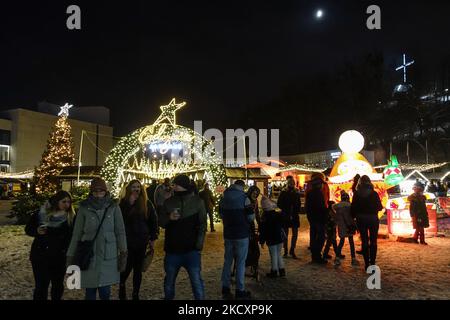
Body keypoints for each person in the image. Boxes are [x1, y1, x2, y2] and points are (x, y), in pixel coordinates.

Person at [67, 177, 128, 300]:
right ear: (91, 192)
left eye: (101, 191)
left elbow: (120, 231)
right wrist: (71, 256)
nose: (98, 194)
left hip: (108, 255)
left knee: (105, 291)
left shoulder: (113, 207)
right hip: (89, 254)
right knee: (90, 290)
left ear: (106, 191)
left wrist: (123, 252)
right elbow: (77, 234)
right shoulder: (84, 208)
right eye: (95, 191)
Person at [159, 174, 207, 300]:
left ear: (183, 186)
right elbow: (161, 222)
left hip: (191, 250)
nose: (173, 186)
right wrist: (169, 218)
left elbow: (202, 224)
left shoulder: (197, 202)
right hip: (172, 250)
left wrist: (199, 244)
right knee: (169, 283)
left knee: (196, 282)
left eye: (176, 184)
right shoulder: (169, 202)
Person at [25, 191, 75, 300]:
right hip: (40, 256)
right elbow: (28, 229)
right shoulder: (41, 213)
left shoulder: (71, 217)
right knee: (41, 286)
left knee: (57, 285)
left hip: (59, 257)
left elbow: (72, 237)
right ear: (56, 201)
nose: (67, 205)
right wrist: (36, 231)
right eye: (64, 201)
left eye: (69, 202)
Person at [119, 180, 158, 300]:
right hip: (127, 241)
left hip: (141, 241)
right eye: (133, 187)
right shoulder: (123, 203)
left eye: (138, 187)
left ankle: (136, 293)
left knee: (138, 270)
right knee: (126, 268)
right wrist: (129, 204)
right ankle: (122, 286)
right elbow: (120, 221)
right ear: (129, 189)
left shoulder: (147, 203)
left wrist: (153, 237)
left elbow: (153, 221)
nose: (136, 189)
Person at [220, 180, 254, 300]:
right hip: (241, 234)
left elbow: (221, 215)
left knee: (227, 261)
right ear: (242, 186)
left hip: (228, 234)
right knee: (240, 262)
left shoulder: (224, 196)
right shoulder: (245, 198)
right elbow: (250, 217)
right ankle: (240, 289)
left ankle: (225, 286)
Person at [351, 175, 383, 271]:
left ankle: (366, 264)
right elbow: (379, 207)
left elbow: (353, 207)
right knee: (373, 241)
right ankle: (372, 263)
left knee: (364, 241)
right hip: (373, 218)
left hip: (361, 218)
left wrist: (353, 218)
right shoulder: (374, 193)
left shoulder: (357, 194)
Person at [259, 196, 286, 278]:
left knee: (273, 255)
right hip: (279, 236)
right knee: (278, 254)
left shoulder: (265, 217)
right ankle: (282, 271)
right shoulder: (277, 213)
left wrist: (262, 241)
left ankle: (274, 271)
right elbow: (282, 220)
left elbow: (263, 230)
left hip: (271, 238)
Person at [305, 173, 329, 264]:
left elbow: (307, 207)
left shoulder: (310, 193)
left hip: (312, 219)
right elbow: (321, 207)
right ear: (319, 184)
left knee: (314, 237)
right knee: (321, 238)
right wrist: (327, 212)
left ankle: (314, 256)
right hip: (319, 219)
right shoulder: (318, 193)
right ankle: (317, 256)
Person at [277, 176, 301, 259]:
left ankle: (292, 250)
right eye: (290, 183)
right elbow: (279, 204)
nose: (291, 184)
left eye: (292, 183)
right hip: (286, 215)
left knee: (294, 234)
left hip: (293, 216)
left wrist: (296, 210)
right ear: (287, 184)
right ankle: (286, 250)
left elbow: (299, 204)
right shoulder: (283, 193)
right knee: (285, 234)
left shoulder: (296, 193)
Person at [331, 191, 358, 266]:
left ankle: (337, 258)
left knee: (341, 242)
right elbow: (353, 216)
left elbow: (333, 211)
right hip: (349, 226)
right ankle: (353, 258)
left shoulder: (337, 207)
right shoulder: (350, 206)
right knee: (351, 242)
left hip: (341, 226)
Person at [245, 185, 261, 278]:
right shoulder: (246, 200)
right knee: (249, 246)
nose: (255, 195)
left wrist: (259, 223)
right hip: (246, 225)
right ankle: (248, 264)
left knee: (254, 246)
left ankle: (254, 263)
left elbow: (257, 213)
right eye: (254, 193)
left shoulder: (255, 201)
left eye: (257, 194)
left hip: (251, 225)